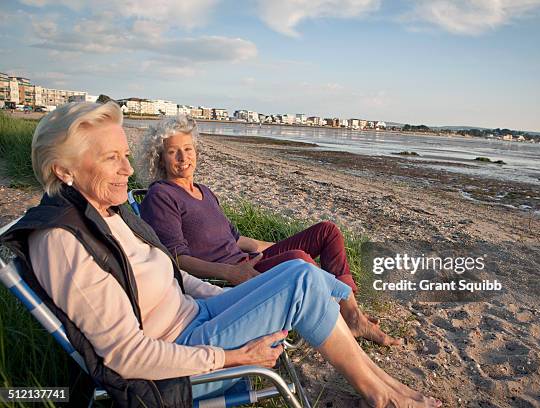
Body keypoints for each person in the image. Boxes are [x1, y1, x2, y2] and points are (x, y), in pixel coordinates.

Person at [2, 101, 440, 407]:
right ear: (64, 170)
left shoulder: (104, 212)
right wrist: (234, 358)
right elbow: (126, 358)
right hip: (179, 355)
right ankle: (382, 394)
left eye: (125, 155)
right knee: (301, 278)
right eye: (112, 158)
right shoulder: (62, 241)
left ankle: (379, 379)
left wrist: (235, 296)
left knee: (297, 275)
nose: (128, 168)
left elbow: (170, 273)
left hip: (196, 316)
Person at [137, 115, 401, 346]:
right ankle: (347, 318)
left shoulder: (204, 192)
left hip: (248, 261)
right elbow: (175, 259)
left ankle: (350, 309)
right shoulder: (162, 195)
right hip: (236, 275)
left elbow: (237, 239)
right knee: (298, 258)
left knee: (326, 231)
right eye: (173, 152)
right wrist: (231, 272)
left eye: (187, 148)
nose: (183, 158)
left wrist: (278, 249)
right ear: (159, 158)